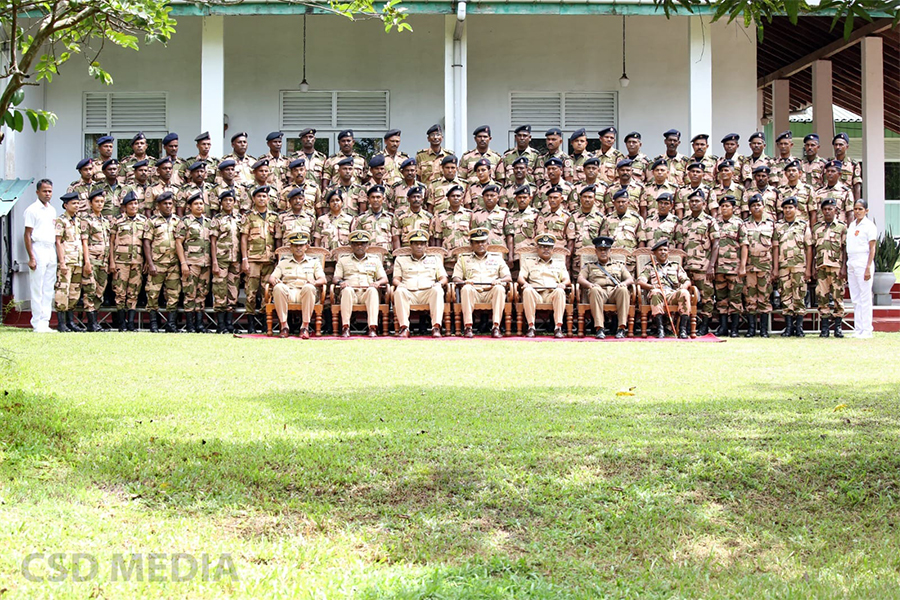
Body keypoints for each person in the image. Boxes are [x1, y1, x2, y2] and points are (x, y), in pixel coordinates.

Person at [452, 228, 512, 338]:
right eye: (477, 242)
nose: (480, 245)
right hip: (473, 292)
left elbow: (508, 277)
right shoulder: (463, 259)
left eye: (483, 242)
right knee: (466, 289)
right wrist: (465, 282)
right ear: (471, 244)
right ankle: (468, 327)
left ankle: (496, 327)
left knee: (500, 288)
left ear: (487, 243)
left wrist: (500, 281)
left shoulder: (497, 258)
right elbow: (455, 278)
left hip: (491, 292)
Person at [676, 189, 719, 335]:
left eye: (697, 201)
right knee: (686, 296)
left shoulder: (709, 221)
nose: (694, 204)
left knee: (706, 297)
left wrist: (711, 266)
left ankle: (704, 325)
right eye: (692, 201)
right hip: (687, 267)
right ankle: (686, 325)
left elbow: (716, 244)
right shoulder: (684, 222)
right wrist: (680, 267)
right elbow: (680, 245)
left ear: (704, 203)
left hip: (703, 267)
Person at [268, 232, 327, 339]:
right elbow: (272, 277)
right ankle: (284, 326)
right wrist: (275, 281)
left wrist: (314, 282)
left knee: (309, 288)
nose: (298, 248)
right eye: (295, 245)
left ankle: (304, 327)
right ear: (291, 247)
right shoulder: (283, 262)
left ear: (306, 247)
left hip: (305, 292)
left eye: (301, 245)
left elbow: (323, 279)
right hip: (288, 292)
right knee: (278, 288)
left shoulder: (314, 262)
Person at [392, 229, 448, 337]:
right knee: (399, 291)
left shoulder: (435, 259)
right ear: (411, 245)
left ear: (426, 246)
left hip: (428, 292)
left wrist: (439, 283)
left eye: (422, 244)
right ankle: (404, 328)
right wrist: (399, 284)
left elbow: (444, 278)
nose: (419, 246)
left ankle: (436, 327)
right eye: (416, 244)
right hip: (409, 293)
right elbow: (395, 279)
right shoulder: (401, 259)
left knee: (438, 290)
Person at [333, 230, 389, 338]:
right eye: (356, 244)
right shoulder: (343, 260)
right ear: (351, 245)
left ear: (367, 245)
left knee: (373, 291)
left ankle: (372, 327)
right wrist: (341, 282)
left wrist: (377, 283)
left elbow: (384, 278)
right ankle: (346, 327)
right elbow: (336, 278)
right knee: (347, 290)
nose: (359, 246)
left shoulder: (375, 260)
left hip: (366, 293)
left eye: (362, 244)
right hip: (351, 293)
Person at [577, 235, 632, 339]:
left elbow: (630, 279)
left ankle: (621, 328)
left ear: (610, 251)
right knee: (595, 290)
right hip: (599, 292)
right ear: (596, 251)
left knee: (623, 290)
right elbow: (580, 278)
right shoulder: (589, 266)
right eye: (600, 250)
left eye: (606, 249)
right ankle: (599, 328)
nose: (603, 252)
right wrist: (590, 285)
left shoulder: (619, 265)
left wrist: (624, 283)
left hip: (614, 292)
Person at [142, 191, 181, 333]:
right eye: (165, 203)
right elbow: (147, 243)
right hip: (157, 264)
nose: (168, 206)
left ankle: (171, 324)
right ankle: (154, 324)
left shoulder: (177, 221)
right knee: (153, 293)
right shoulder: (152, 221)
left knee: (174, 294)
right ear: (158, 205)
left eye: (170, 203)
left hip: (174, 264)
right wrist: (150, 263)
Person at [240, 186, 277, 333]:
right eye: (259, 196)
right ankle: (250, 324)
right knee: (251, 292)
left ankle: (264, 324)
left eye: (264, 196)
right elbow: (243, 239)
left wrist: (277, 258)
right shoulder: (249, 217)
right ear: (254, 199)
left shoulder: (274, 217)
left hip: (269, 260)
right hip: (253, 259)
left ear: (268, 199)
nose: (262, 199)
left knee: (266, 293)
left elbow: (277, 239)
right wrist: (244, 259)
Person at [109, 192, 148, 331]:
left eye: (136, 203)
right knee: (120, 292)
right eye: (131, 204)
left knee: (134, 292)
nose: (134, 206)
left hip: (137, 262)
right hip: (121, 262)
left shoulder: (143, 220)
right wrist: (111, 262)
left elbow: (145, 243)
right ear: (124, 207)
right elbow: (111, 242)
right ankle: (121, 323)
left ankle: (131, 323)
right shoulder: (117, 221)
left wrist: (146, 261)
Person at [637, 238, 692, 338]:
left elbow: (687, 280)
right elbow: (640, 281)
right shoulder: (650, 267)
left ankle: (683, 330)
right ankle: (660, 329)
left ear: (668, 252)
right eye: (660, 250)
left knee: (684, 292)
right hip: (658, 295)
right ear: (655, 253)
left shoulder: (675, 266)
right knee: (655, 292)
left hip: (672, 294)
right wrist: (652, 286)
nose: (663, 252)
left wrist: (683, 287)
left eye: (665, 250)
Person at [518, 233, 569, 338]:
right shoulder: (529, 262)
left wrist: (563, 284)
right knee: (527, 291)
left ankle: (558, 328)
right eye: (542, 247)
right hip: (536, 294)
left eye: (549, 247)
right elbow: (520, 278)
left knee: (560, 291)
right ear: (537, 248)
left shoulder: (559, 263)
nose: (546, 249)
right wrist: (526, 284)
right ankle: (531, 327)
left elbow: (567, 279)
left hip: (552, 294)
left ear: (553, 249)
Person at [774, 197, 812, 337]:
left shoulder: (803, 225)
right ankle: (789, 326)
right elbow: (776, 248)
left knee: (799, 294)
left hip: (799, 266)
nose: (788, 210)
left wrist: (808, 269)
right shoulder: (778, 226)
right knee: (785, 295)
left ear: (796, 209)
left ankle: (799, 327)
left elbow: (808, 248)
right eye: (785, 208)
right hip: (784, 266)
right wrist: (776, 268)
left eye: (790, 208)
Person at [809, 198, 848, 337]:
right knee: (822, 297)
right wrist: (813, 267)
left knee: (838, 296)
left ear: (836, 211)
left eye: (830, 209)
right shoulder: (816, 227)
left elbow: (844, 249)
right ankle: (824, 328)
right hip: (821, 267)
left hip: (837, 266)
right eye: (825, 209)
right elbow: (814, 248)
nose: (827, 212)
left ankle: (838, 327)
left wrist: (844, 267)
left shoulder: (842, 227)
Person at [24, 179, 58, 333]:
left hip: (50, 248)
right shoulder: (32, 210)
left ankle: (45, 321)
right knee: (37, 287)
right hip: (38, 248)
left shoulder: (52, 209)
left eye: (50, 191)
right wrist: (31, 257)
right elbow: (27, 234)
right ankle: (37, 322)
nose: (47, 194)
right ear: (37, 192)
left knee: (48, 287)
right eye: (44, 191)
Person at [175, 192, 212, 333]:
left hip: (205, 263)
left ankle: (200, 324)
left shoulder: (208, 222)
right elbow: (178, 243)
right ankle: (190, 325)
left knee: (202, 293)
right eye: (196, 204)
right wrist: (183, 263)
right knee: (190, 293)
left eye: (201, 203)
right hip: (191, 262)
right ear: (189, 207)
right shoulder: (185, 221)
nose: (199, 206)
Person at [53, 192, 89, 332]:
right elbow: (58, 241)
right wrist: (61, 262)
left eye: (77, 203)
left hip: (77, 261)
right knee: (63, 290)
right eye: (73, 203)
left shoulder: (79, 221)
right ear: (65, 205)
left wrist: (85, 261)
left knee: (74, 292)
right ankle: (61, 323)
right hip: (67, 261)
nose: (76, 206)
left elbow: (82, 241)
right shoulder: (61, 221)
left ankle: (70, 322)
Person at [713, 196, 747, 338]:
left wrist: (743, 266)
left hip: (734, 267)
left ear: (733, 208)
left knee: (735, 298)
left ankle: (734, 329)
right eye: (722, 206)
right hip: (719, 267)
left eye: (727, 206)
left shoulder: (739, 223)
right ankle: (723, 328)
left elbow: (744, 245)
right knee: (721, 299)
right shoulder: (714, 223)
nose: (724, 208)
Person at [743, 194, 777, 337]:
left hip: (765, 266)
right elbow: (743, 246)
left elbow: (775, 247)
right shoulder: (744, 224)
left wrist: (775, 268)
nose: (756, 207)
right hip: (750, 266)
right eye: (753, 205)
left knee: (764, 297)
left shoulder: (771, 224)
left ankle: (763, 330)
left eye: (759, 205)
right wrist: (743, 266)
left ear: (764, 206)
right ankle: (751, 329)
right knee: (750, 298)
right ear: (749, 208)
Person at [210, 190, 243, 333]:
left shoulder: (240, 219)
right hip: (221, 259)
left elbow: (243, 240)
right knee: (219, 290)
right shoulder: (217, 219)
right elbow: (212, 242)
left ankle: (230, 323)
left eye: (231, 200)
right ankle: (220, 324)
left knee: (233, 290)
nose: (228, 203)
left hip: (235, 259)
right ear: (221, 203)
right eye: (225, 200)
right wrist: (215, 262)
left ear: (234, 202)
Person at [80, 188, 112, 332]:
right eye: (97, 202)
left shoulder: (105, 221)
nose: (100, 204)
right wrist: (87, 262)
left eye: (101, 201)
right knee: (90, 290)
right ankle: (91, 323)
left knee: (100, 291)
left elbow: (108, 243)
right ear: (90, 203)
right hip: (92, 260)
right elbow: (84, 242)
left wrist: (110, 261)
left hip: (103, 262)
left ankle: (95, 321)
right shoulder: (87, 220)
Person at [846, 199, 878, 338]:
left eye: (860, 209)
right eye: (856, 209)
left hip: (863, 260)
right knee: (856, 297)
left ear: (866, 210)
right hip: (852, 260)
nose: (857, 211)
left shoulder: (869, 226)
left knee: (865, 297)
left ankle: (867, 330)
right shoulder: (852, 225)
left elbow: (872, 248)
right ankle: (858, 329)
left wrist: (868, 267)